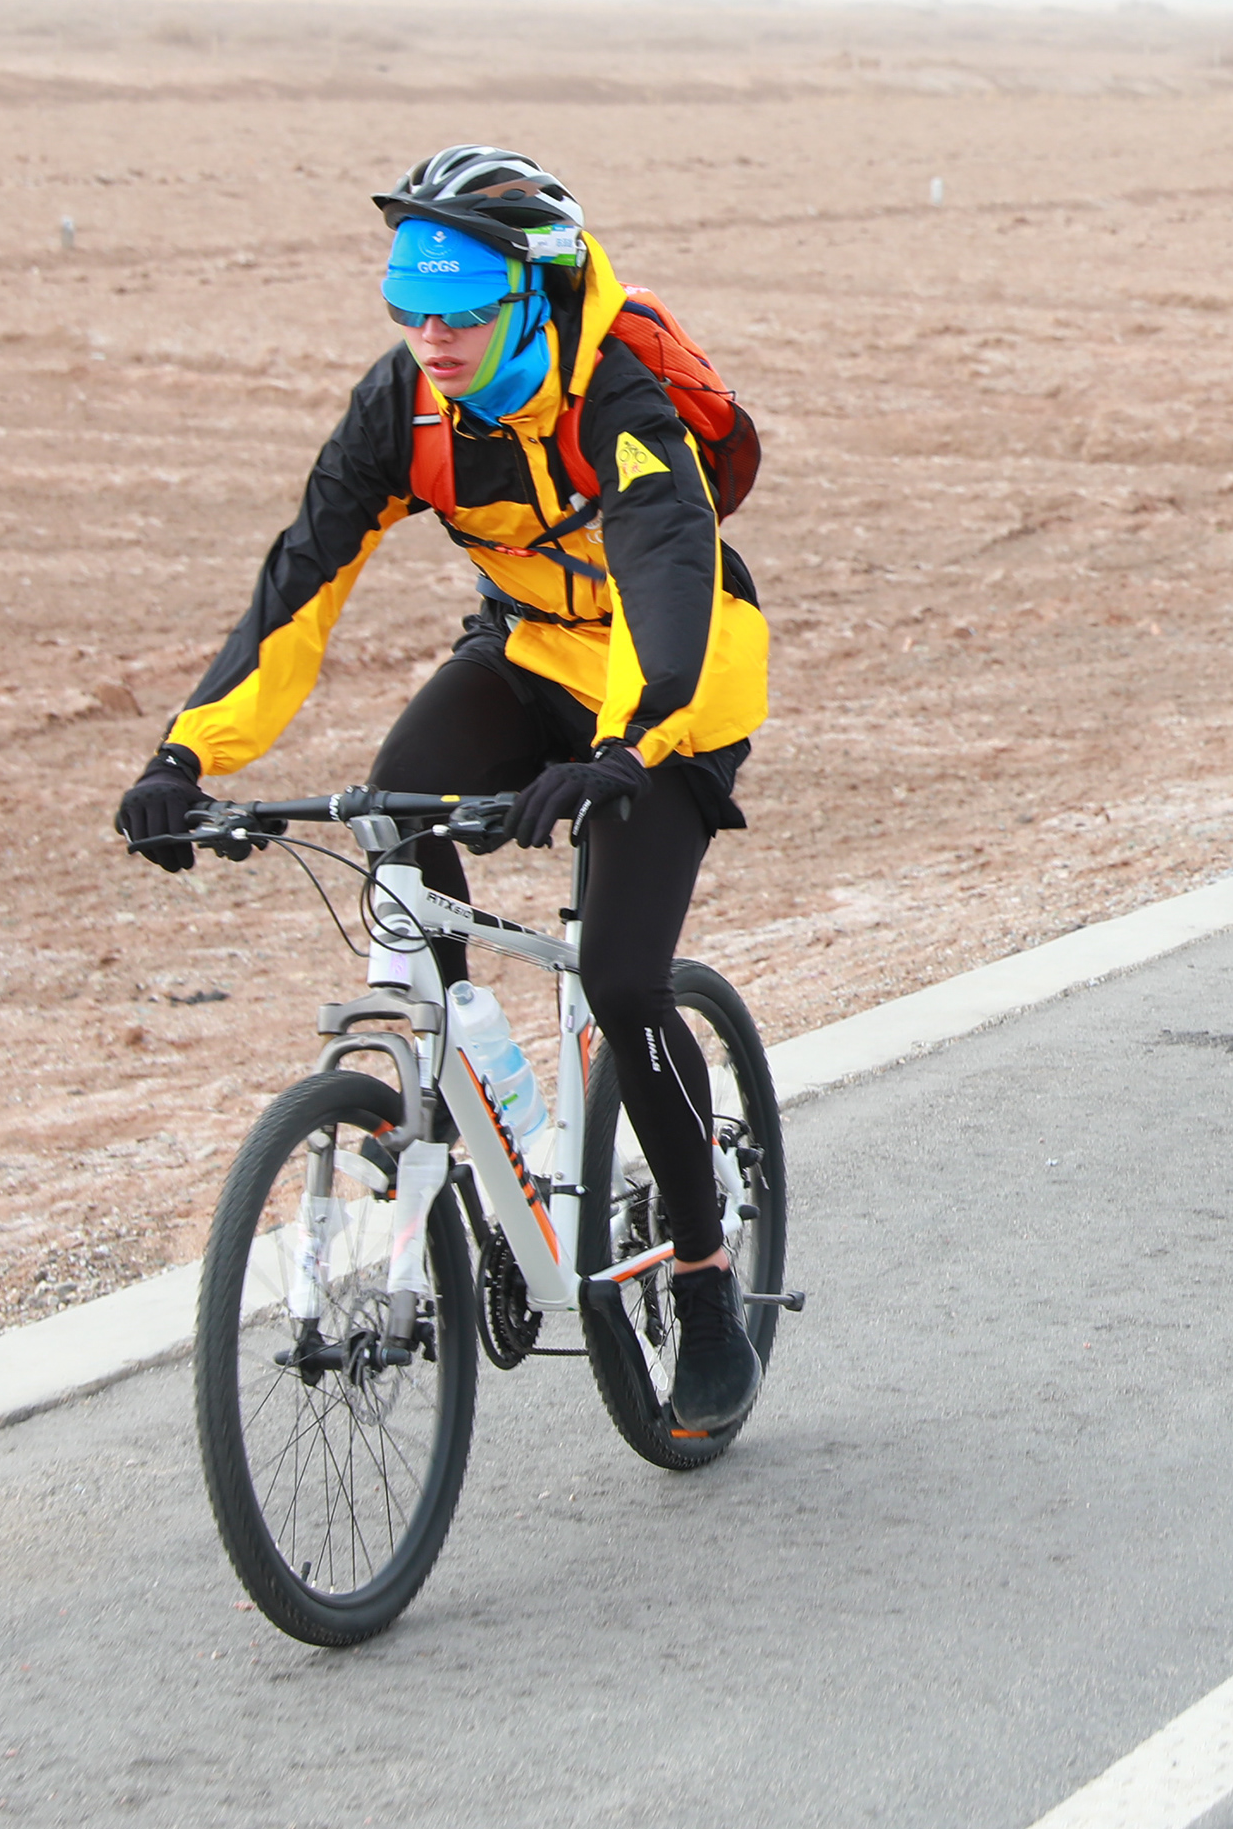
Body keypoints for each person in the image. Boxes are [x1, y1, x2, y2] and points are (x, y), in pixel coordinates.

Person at [114, 146, 775, 1436]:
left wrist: (627, 750)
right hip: (527, 656)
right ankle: (471, 1088)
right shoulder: (405, 407)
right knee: (392, 806)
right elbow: (302, 582)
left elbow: (666, 570)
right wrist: (187, 757)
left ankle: (702, 1279)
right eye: (409, 306)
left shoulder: (616, 398)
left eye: (461, 309)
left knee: (624, 979)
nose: (433, 336)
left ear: (529, 296)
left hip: (673, 686)